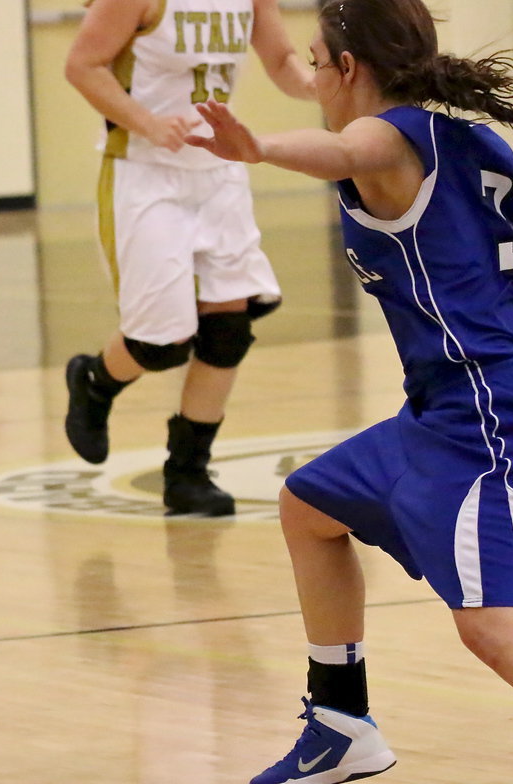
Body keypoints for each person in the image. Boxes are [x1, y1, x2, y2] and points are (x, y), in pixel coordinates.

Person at [185, 0, 513, 784]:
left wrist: (258, 146)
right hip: (441, 405)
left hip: (483, 411)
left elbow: (341, 144)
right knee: (310, 503)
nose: (305, 72)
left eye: (314, 58)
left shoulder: (386, 140)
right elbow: (319, 100)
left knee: (486, 621)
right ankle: (341, 725)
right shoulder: (466, 137)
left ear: (349, 70)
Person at [62, 0, 314, 516]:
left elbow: (283, 61)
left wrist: (323, 86)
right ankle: (94, 380)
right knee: (161, 344)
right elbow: (82, 66)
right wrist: (147, 122)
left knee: (229, 328)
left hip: (220, 173)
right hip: (146, 173)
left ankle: (187, 472)